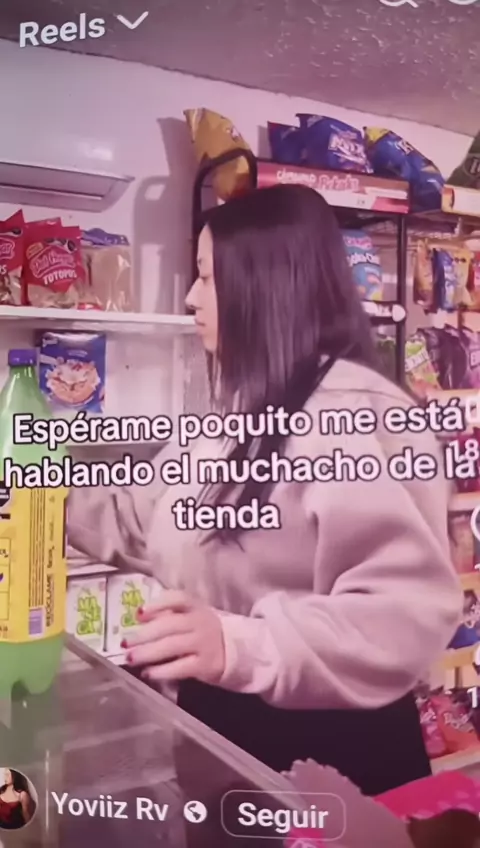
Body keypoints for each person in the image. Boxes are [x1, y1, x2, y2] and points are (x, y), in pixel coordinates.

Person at [69, 184, 462, 798]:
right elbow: (144, 520)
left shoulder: (354, 413)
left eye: (206, 276)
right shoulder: (239, 415)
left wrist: (236, 643)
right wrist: (34, 493)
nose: (191, 296)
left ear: (265, 285)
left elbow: (399, 616)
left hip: (334, 753)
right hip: (226, 733)